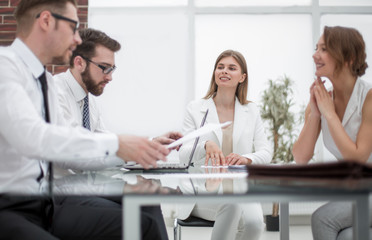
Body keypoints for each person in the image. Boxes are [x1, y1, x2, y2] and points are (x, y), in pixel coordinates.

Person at [0, 0, 171, 239]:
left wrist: (137, 146)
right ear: (46, 21)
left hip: (46, 204)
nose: (77, 39)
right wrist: (118, 145)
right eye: (73, 27)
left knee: (143, 223)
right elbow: (33, 137)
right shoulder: (5, 66)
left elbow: (70, 137)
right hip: (11, 207)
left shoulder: (45, 81)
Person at [54, 28, 181, 240]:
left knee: (147, 200)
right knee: (140, 222)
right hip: (62, 192)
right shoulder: (55, 93)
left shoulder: (89, 102)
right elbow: (77, 155)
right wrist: (130, 150)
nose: (110, 77)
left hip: (87, 185)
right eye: (104, 68)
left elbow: (107, 142)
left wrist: (148, 144)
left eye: (112, 69)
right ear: (79, 63)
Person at [177, 50, 273, 240]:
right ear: (214, 73)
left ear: (242, 77)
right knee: (232, 206)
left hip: (240, 187)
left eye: (231, 68)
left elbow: (266, 151)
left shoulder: (251, 110)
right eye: (220, 67)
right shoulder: (196, 108)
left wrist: (247, 158)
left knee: (254, 224)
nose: (224, 71)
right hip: (204, 189)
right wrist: (205, 144)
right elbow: (183, 154)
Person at [292, 26, 372, 239]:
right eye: (316, 47)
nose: (314, 54)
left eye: (324, 49)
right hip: (360, 190)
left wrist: (329, 114)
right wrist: (316, 115)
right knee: (346, 236)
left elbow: (358, 159)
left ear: (349, 57)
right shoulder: (323, 100)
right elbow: (300, 157)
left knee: (322, 218)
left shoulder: (369, 98)